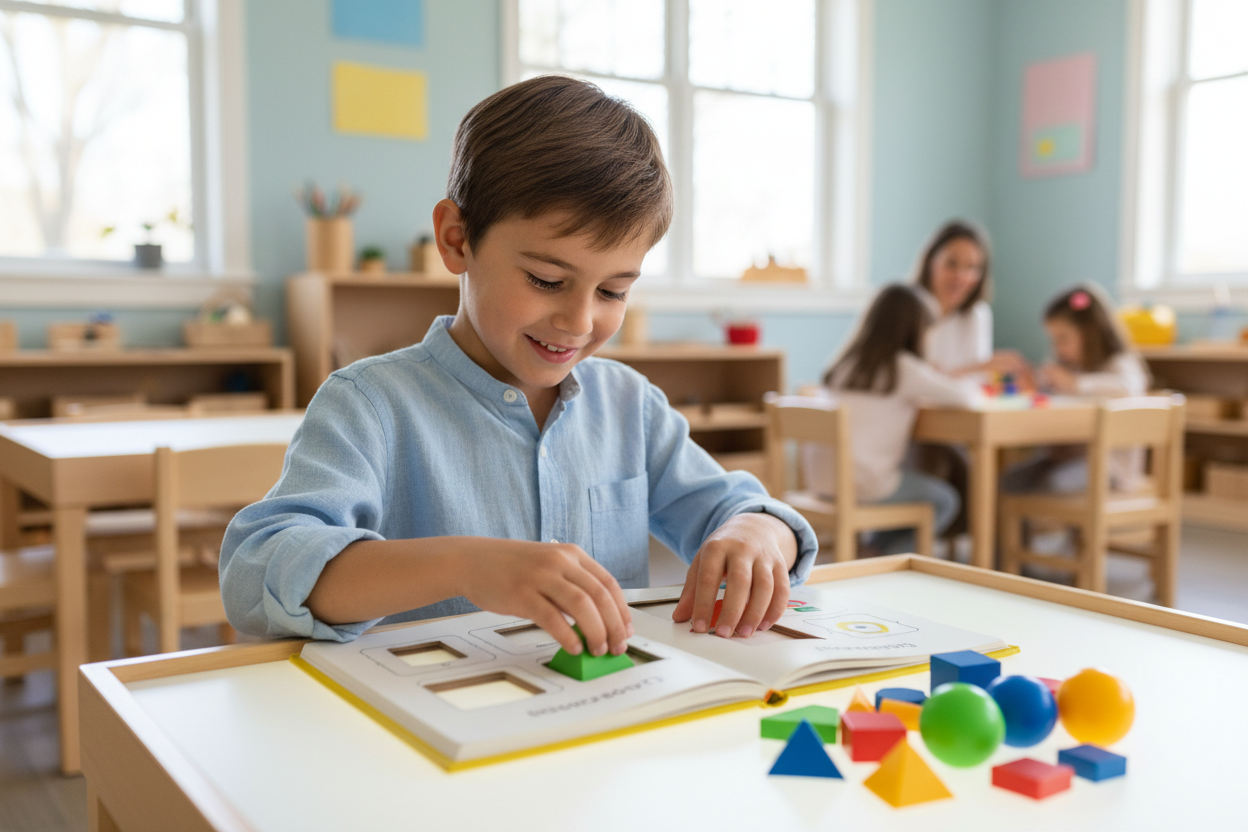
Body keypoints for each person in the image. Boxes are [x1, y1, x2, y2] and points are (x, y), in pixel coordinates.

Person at [219, 76, 817, 659]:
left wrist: (757, 533)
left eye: (612, 291)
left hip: (604, 719)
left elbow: (738, 508)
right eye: (546, 280)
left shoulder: (628, 405)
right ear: (456, 239)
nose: (579, 321)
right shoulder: (370, 404)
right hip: (431, 736)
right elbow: (259, 568)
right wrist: (464, 565)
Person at [805, 284, 982, 555]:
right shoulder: (904, 368)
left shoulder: (844, 363)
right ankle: (880, 557)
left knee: (906, 487)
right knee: (944, 500)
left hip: (821, 480)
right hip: (864, 483)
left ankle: (874, 548)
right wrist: (943, 374)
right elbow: (965, 397)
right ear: (915, 330)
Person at [1001, 284, 1151, 495]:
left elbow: (1128, 388)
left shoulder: (1119, 364)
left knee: (1051, 485)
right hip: (1064, 459)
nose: (1056, 348)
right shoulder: (1065, 366)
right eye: (1053, 340)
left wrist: (1075, 384)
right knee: (1009, 482)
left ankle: (1061, 528)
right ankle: (1015, 528)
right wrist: (1034, 384)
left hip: (1110, 468)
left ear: (1090, 334)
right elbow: (1044, 388)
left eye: (1063, 339)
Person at [910, 220, 1027, 378]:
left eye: (972, 267)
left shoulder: (977, 314)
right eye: (951, 264)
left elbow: (976, 383)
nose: (961, 276)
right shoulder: (905, 308)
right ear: (931, 261)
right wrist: (975, 369)